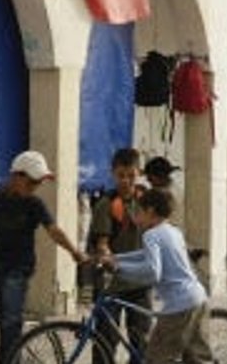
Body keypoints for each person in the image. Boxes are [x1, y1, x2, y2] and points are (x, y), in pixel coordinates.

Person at [0, 151, 87, 364]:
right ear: (16, 176)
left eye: (38, 183)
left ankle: (9, 361)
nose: (35, 187)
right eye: (32, 182)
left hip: (17, 267)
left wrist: (75, 252)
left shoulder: (34, 204)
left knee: (10, 319)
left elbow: (54, 230)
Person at [100, 189, 212, 364]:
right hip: (198, 298)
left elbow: (153, 271)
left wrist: (118, 268)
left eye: (139, 212)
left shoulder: (151, 235)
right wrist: (117, 258)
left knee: (155, 358)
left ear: (150, 211)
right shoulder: (173, 231)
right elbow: (144, 255)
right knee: (198, 358)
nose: (136, 217)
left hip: (179, 306)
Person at [89, 148, 150, 363]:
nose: (126, 181)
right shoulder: (106, 205)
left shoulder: (147, 202)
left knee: (141, 340)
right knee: (105, 340)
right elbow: (102, 243)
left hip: (140, 282)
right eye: (121, 175)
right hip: (111, 283)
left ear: (139, 173)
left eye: (131, 175)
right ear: (113, 173)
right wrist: (106, 257)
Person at [145, 156, 183, 227]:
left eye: (151, 179)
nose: (150, 183)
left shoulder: (170, 194)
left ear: (161, 177)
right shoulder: (171, 188)